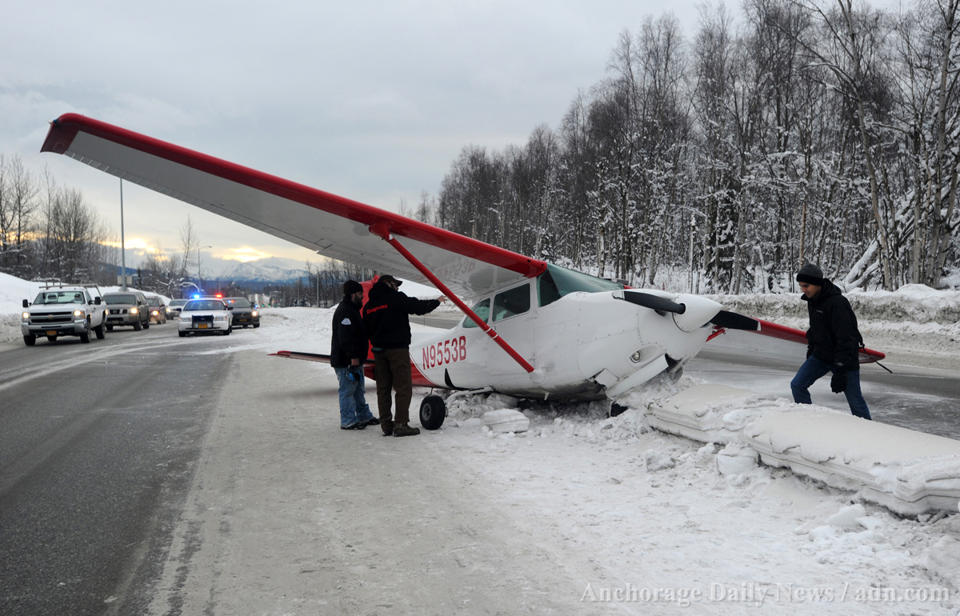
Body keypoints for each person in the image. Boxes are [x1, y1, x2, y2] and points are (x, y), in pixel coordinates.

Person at [362, 275, 445, 436]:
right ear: (389, 284)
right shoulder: (395, 298)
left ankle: (386, 425)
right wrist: (437, 301)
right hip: (397, 350)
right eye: (396, 285)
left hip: (379, 352)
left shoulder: (369, 306)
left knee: (383, 389)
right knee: (403, 387)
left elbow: (366, 330)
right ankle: (401, 424)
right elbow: (417, 307)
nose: (398, 288)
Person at [790, 263, 872, 420]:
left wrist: (840, 369)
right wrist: (811, 349)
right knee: (797, 385)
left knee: (856, 402)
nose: (803, 290)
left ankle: (868, 435)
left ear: (817, 283)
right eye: (801, 286)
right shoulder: (812, 300)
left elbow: (847, 338)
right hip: (821, 355)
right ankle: (808, 421)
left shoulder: (838, 303)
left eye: (806, 285)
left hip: (845, 359)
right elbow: (816, 329)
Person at [330, 280, 379, 430]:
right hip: (346, 361)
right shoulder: (345, 311)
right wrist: (353, 357)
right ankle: (348, 420)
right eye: (360, 294)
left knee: (358, 389)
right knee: (347, 390)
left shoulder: (352, 310)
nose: (362, 297)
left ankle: (364, 415)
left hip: (355, 360)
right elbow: (345, 337)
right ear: (352, 294)